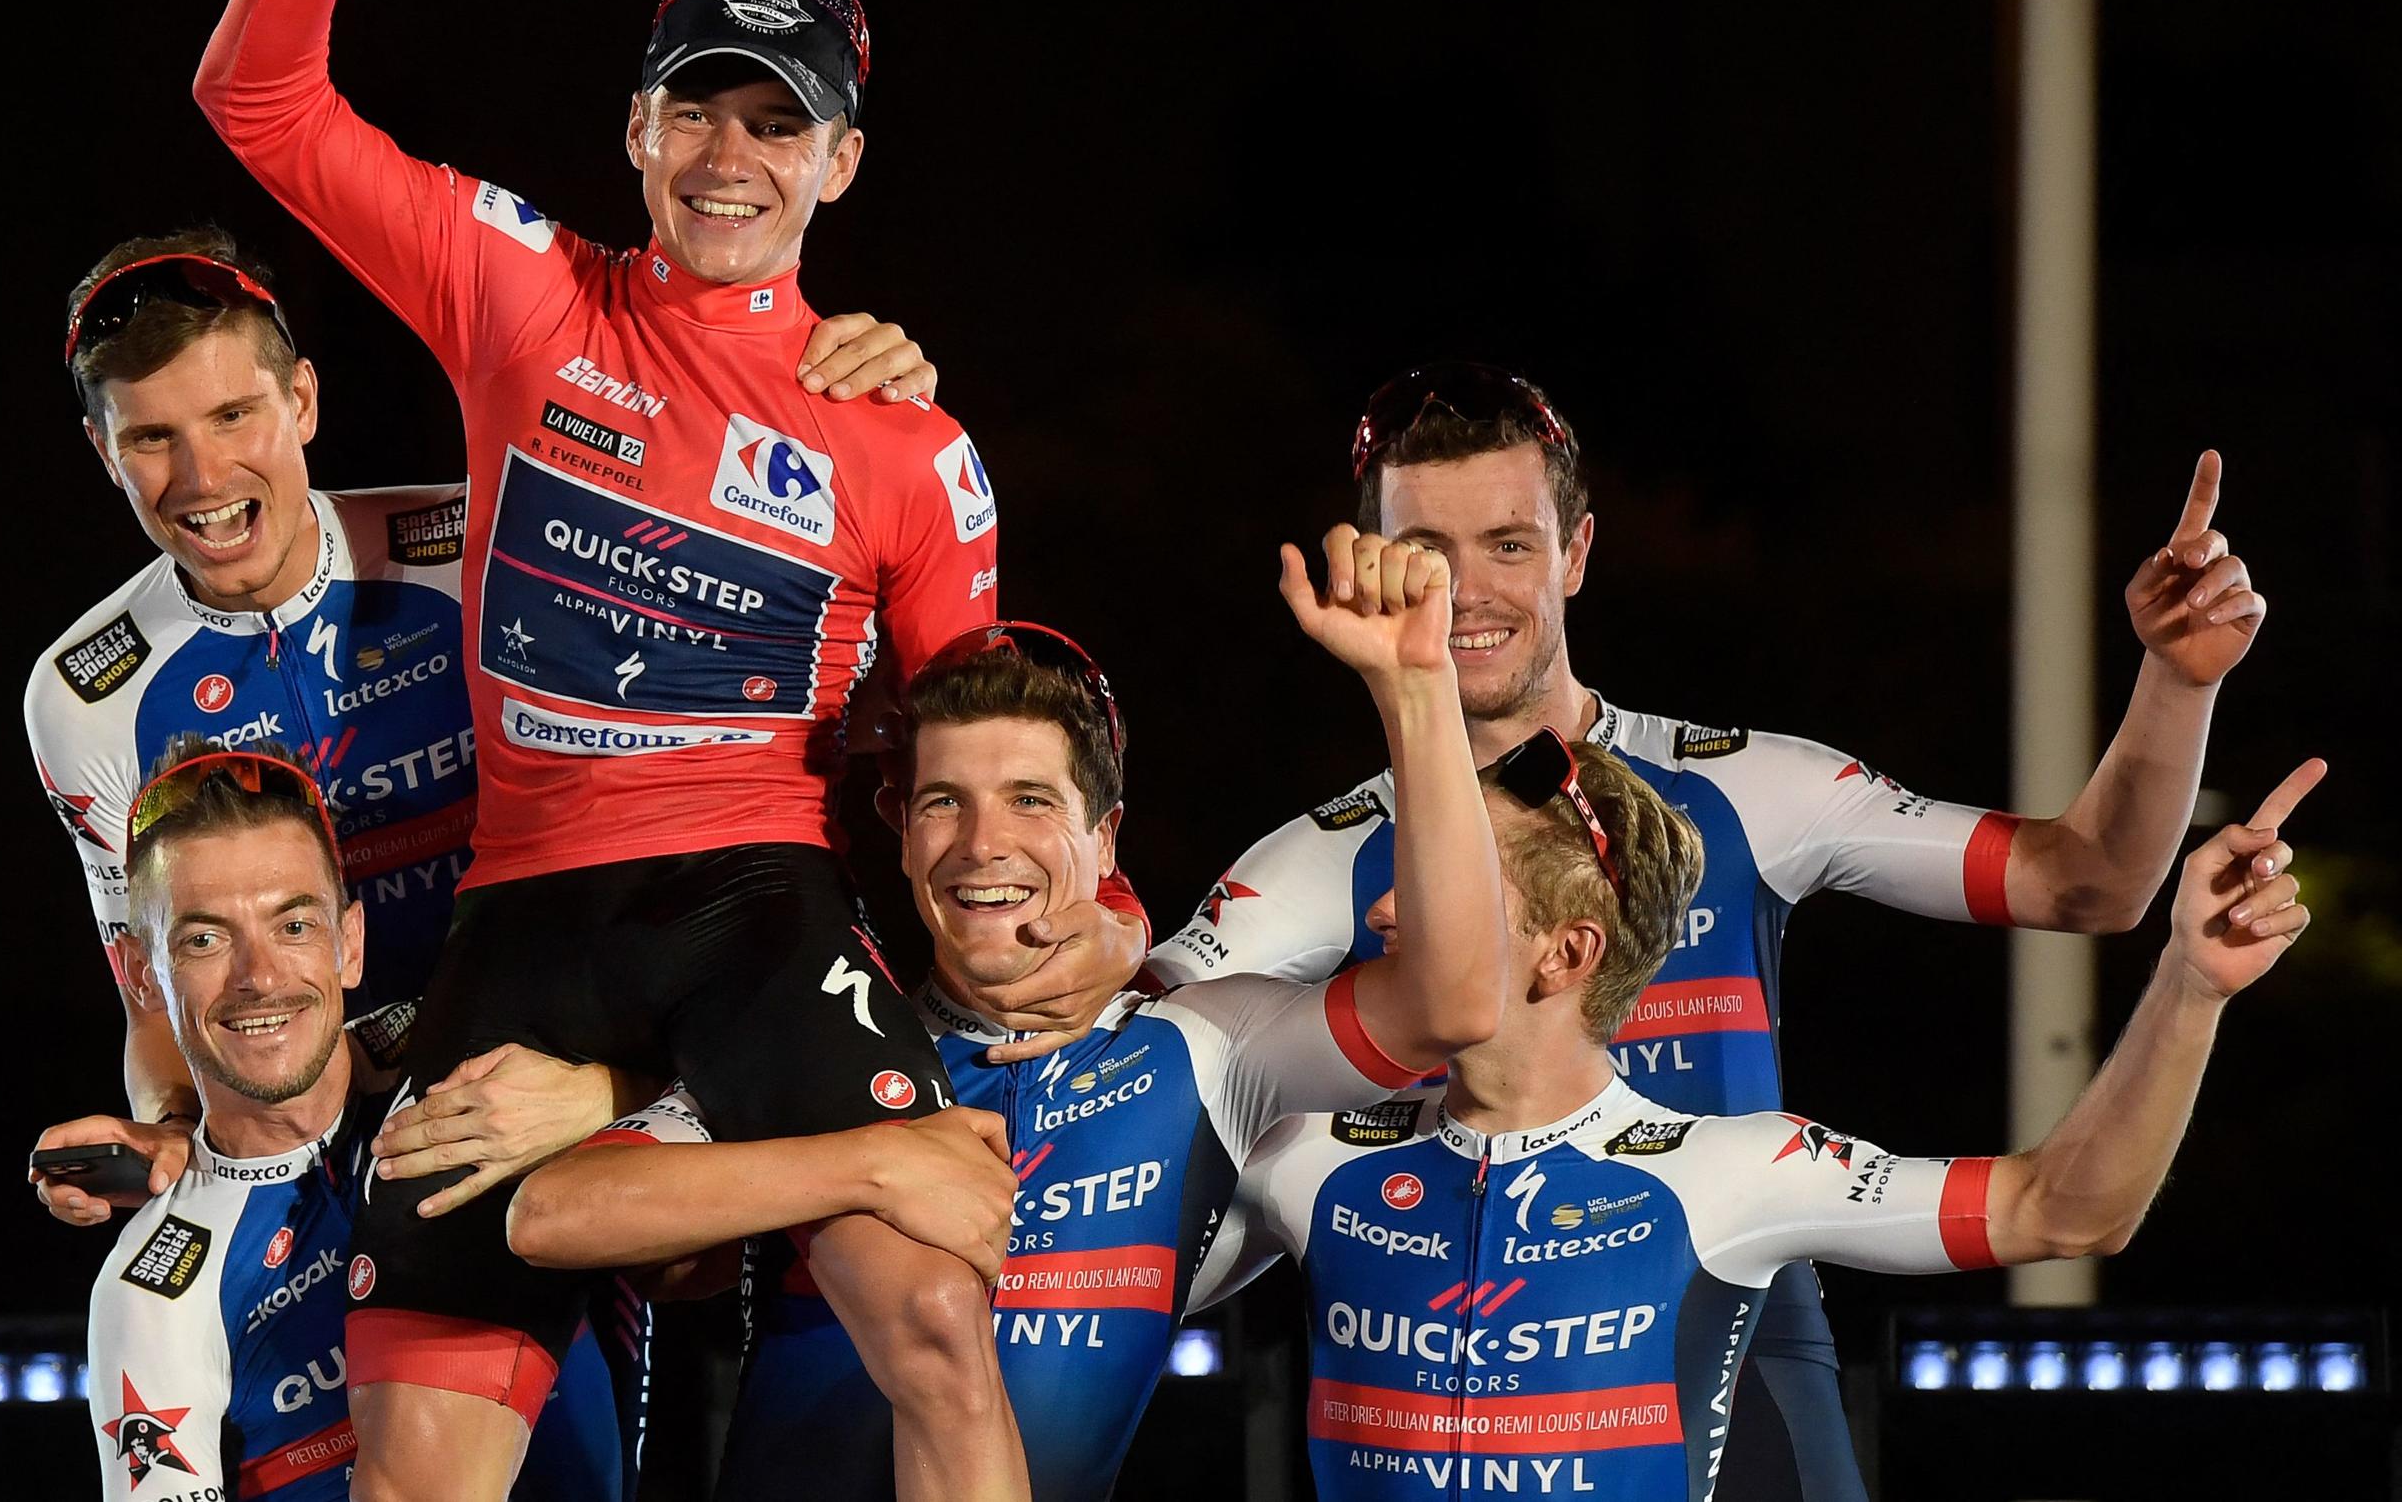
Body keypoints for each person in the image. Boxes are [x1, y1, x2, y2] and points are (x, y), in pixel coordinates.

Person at [195, 0, 1145, 1500]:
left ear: (842, 164)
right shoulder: (522, 289)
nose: (732, 154)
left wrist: (1097, 909)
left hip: (762, 919)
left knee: (938, 1324)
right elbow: (259, 104)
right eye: (699, 106)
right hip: (529, 910)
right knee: (407, 1468)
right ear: (635, 126)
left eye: (780, 122)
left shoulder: (908, 440)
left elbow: (974, 770)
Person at [1143, 364, 2266, 1498]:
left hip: (1742, 1332)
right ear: (1369, 558)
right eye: (1425, 550)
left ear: (1576, 552)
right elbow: (1121, 1054)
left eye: (1509, 545)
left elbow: (2090, 885)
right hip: (1436, 1328)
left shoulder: (1746, 791)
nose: (1464, 592)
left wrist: (2176, 683)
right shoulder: (1313, 862)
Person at [29, 228, 935, 1495]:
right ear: (101, 450)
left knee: (738, 1323)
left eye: (233, 412)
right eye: (149, 438)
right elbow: (155, 992)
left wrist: (849, 397)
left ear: (302, 399)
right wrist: (178, 1134)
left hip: (560, 1061)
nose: (202, 475)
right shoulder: (82, 695)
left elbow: (754, 634)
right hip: (333, 1116)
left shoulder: (474, 536)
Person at [509, 527, 1511, 1501]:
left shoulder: (1205, 1046)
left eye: (1031, 799)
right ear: (899, 832)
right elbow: (553, 1207)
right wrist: (869, 1165)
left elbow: (1458, 999)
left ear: (1105, 837)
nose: (982, 843)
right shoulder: (822, 1046)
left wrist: (1414, 689)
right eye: (943, 801)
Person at [1232, 737, 2317, 1499]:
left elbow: (2063, 1209)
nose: (1379, 907)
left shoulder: (1738, 1169)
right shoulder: (1301, 1151)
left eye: (1444, 884)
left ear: (1566, 954)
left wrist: (2188, 985)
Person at [78, 735, 374, 1500]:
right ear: (142, 976)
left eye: (294, 924)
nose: (260, 977)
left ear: (350, 943)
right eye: (206, 939)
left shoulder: (472, 1070)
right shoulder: (151, 1291)